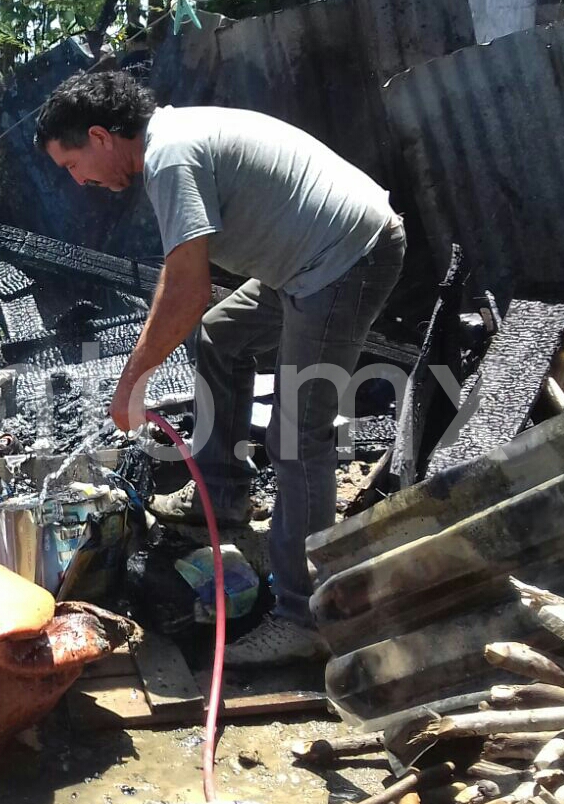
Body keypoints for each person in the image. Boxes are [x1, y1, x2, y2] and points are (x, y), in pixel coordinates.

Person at [36, 70, 405, 666]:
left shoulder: (170, 158)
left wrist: (133, 381)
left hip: (345, 258)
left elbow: (187, 287)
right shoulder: (171, 142)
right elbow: (185, 287)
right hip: (310, 259)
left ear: (102, 137)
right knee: (219, 337)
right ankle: (223, 496)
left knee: (297, 434)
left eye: (72, 163)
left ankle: (304, 613)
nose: (78, 181)